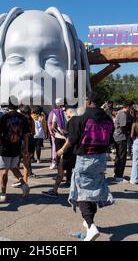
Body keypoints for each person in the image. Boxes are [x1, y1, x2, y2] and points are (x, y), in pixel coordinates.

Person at [59, 92, 114, 241]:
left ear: (89, 101)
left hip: (85, 158)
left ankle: (90, 226)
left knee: (82, 192)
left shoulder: (80, 117)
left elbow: (71, 139)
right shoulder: (108, 118)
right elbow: (110, 139)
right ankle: (89, 222)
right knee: (94, 190)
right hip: (101, 158)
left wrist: (62, 150)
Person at [0, 97, 30, 203]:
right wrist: (25, 149)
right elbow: (26, 135)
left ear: (8, 105)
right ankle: (24, 185)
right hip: (17, 147)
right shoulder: (23, 118)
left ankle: (3, 194)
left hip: (5, 147)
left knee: (4, 171)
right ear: (18, 105)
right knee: (14, 168)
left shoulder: (4, 117)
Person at [43, 108, 78, 197]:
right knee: (72, 165)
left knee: (61, 166)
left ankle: (55, 190)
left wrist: (62, 149)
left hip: (62, 139)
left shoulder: (57, 113)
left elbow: (54, 126)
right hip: (75, 143)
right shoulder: (79, 117)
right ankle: (69, 181)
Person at [113, 102, 132, 182]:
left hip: (117, 137)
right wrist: (128, 133)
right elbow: (123, 127)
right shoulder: (123, 114)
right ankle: (119, 175)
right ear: (128, 107)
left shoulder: (120, 113)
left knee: (118, 156)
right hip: (121, 137)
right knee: (122, 157)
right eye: (131, 107)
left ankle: (117, 173)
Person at [49, 99, 67, 169]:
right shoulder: (70, 111)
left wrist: (60, 132)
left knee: (58, 154)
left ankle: (59, 173)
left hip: (59, 136)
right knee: (68, 155)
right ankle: (69, 177)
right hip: (69, 136)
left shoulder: (56, 112)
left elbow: (53, 126)